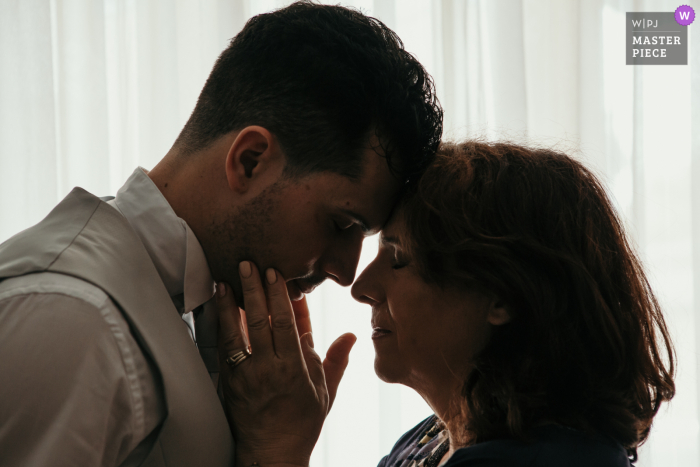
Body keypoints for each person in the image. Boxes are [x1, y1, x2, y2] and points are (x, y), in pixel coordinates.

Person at [0, 2, 442, 466]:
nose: (346, 272)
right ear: (250, 160)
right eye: (340, 225)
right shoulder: (71, 322)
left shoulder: (189, 316)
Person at [216, 140, 676, 467]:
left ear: (501, 294)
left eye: (396, 259)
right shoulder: (431, 440)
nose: (361, 287)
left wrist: (278, 448)